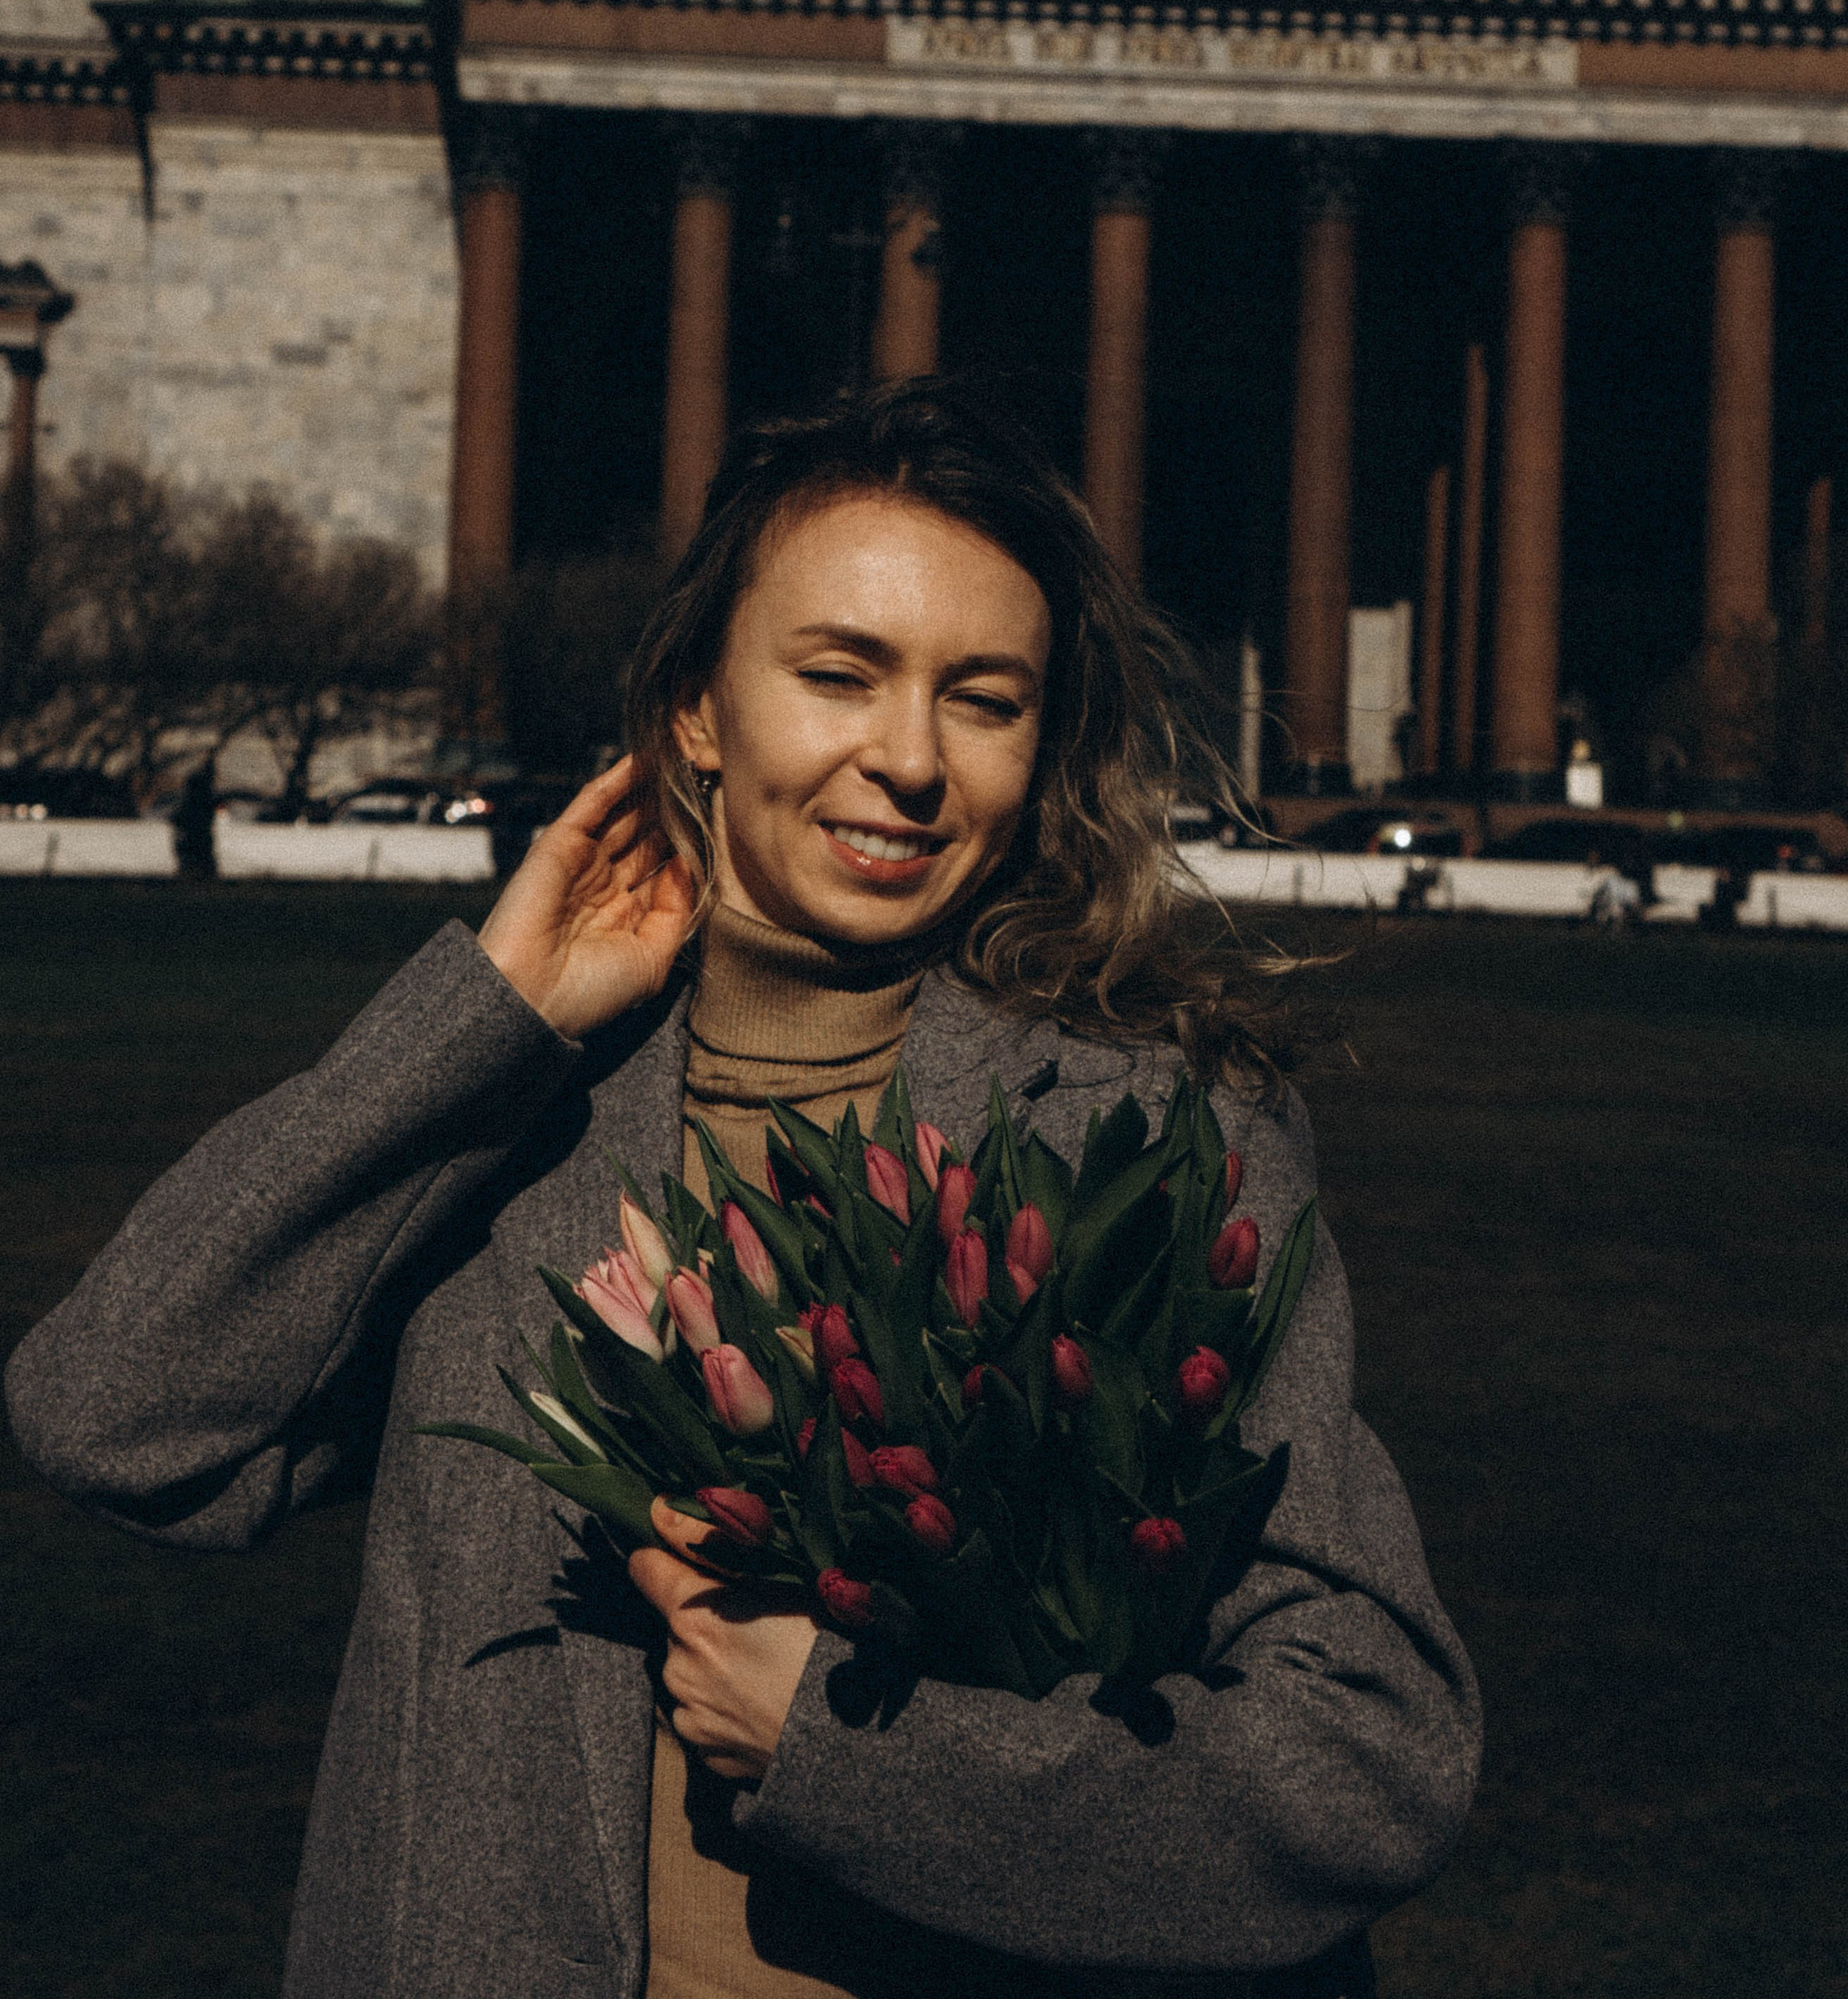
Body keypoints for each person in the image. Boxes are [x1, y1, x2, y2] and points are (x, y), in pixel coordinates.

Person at [6, 382, 1480, 1999]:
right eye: (837, 674)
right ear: (701, 705)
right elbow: (113, 1419)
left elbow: (1365, 1756)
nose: (907, 761)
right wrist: (478, 1033)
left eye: (981, 698)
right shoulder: (521, 1123)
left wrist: (850, 1750)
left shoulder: (1144, 1139)